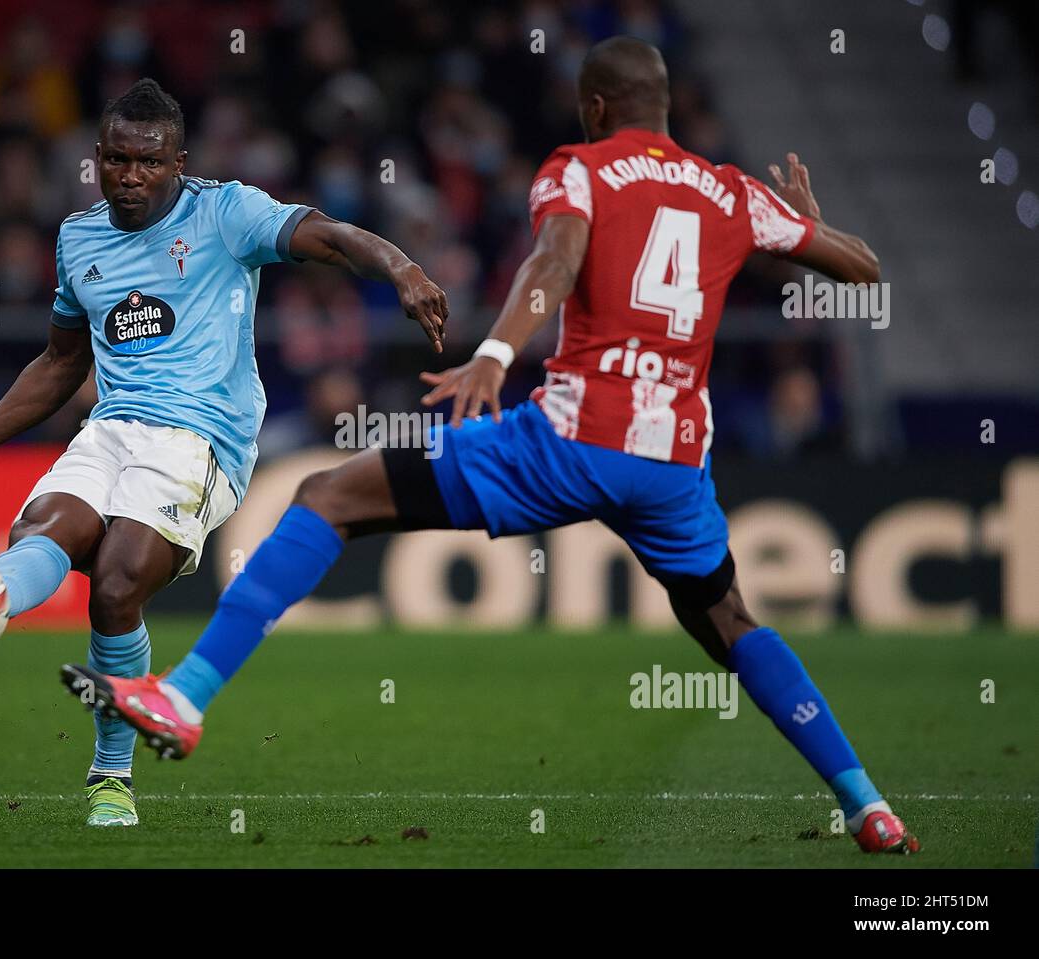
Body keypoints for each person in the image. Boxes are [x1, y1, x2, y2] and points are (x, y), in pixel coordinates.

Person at [65, 41, 919, 854]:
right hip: (674, 462)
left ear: (594, 107)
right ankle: (867, 804)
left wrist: (497, 353)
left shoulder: (579, 169)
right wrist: (807, 224)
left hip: (570, 438)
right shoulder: (730, 192)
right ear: (663, 108)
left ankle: (185, 693)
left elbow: (554, 259)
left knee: (330, 496)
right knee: (729, 619)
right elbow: (864, 268)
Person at [0, 78, 448, 828]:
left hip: (202, 439)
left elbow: (328, 234)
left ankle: (110, 774)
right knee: (43, 528)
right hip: (110, 428)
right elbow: (60, 364)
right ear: (96, 158)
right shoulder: (80, 238)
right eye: (113, 160)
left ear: (179, 163)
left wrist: (401, 267)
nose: (128, 177)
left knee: (116, 581)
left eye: (146, 162)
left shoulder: (228, 212)